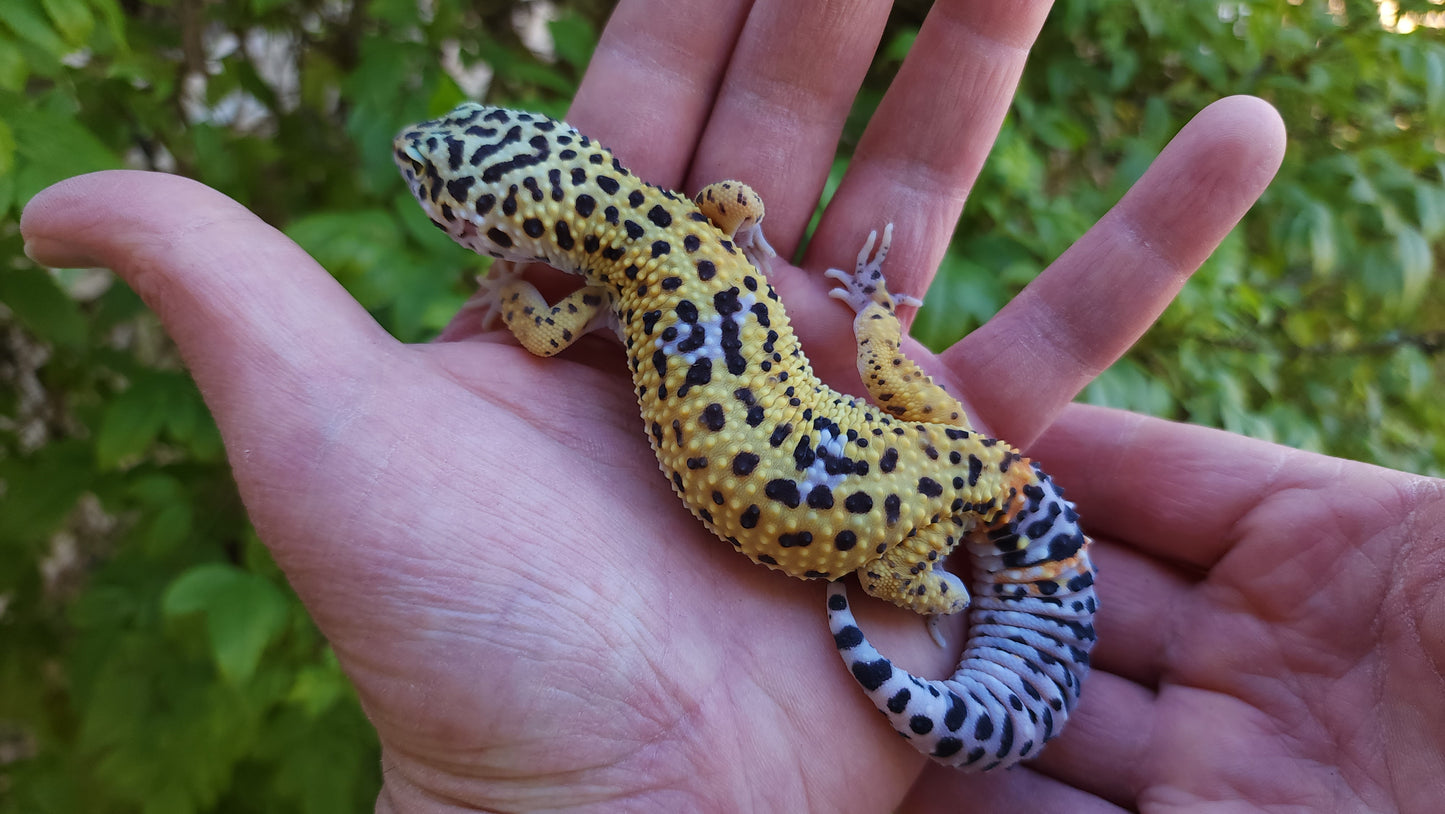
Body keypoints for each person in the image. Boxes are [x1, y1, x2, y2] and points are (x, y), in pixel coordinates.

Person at [20, 1, 1444, 811]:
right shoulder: (696, 227)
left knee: (904, 586)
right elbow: (749, 206)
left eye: (451, 187)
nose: (429, 171)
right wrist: (875, 324)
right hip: (904, 456)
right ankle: (957, 578)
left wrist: (913, 589)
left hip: (896, 512)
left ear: (534, 224)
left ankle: (945, 600)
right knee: (915, 518)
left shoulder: (578, 299)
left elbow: (531, 322)